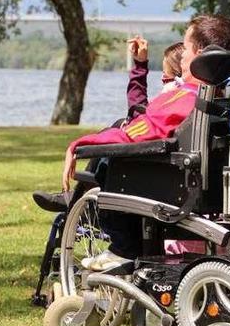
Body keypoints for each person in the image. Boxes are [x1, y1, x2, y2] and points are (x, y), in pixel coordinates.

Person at [67, 14, 230, 270]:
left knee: (107, 158)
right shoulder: (221, 103)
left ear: (201, 54)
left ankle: (123, 248)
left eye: (186, 48)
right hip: (206, 192)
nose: (182, 55)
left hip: (165, 190)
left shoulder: (181, 100)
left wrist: (79, 145)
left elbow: (130, 136)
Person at [32, 38, 188, 213]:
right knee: (119, 125)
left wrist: (81, 144)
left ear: (179, 77)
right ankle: (78, 196)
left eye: (165, 79)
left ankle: (79, 199)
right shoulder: (193, 99)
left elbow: (138, 123)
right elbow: (141, 113)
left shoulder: (179, 100)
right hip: (169, 168)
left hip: (152, 171)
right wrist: (140, 65)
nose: (162, 81)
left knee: (115, 129)